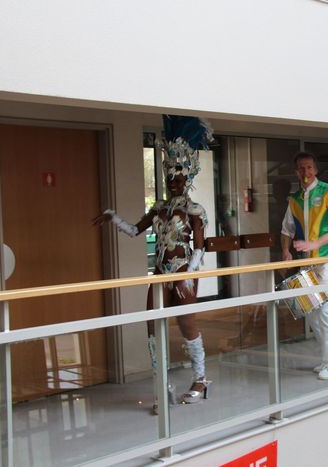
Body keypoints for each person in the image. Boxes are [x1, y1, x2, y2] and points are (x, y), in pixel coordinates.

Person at [93, 115, 213, 413]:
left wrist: (189, 275)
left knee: (187, 324)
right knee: (152, 326)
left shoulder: (194, 209)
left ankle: (200, 379)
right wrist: (113, 217)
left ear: (189, 177)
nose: (174, 182)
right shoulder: (158, 208)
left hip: (184, 271)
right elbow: (135, 230)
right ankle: (161, 384)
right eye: (170, 177)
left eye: (180, 177)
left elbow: (199, 246)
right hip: (159, 272)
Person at [281, 151, 328, 380]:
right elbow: (286, 229)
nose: (306, 172)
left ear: (316, 170)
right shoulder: (295, 199)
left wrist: (316, 242)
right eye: (301, 168)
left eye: (309, 167)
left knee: (325, 309)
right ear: (296, 172)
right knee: (309, 309)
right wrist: (285, 251)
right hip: (308, 262)